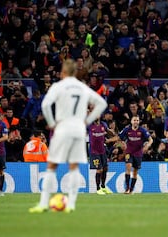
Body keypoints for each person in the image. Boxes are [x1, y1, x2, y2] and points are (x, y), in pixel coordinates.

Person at [29, 59, 108, 213]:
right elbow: (102, 104)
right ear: (75, 72)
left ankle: (43, 203)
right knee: (74, 167)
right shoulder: (82, 87)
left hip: (63, 127)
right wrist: (88, 120)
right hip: (78, 129)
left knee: (51, 166)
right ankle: (71, 205)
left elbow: (45, 105)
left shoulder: (58, 86)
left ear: (63, 72)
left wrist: (51, 123)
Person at [119, 115, 153, 194]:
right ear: (131, 121)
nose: (136, 122)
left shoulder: (142, 130)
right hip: (129, 152)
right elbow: (119, 137)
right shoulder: (127, 129)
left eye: (137, 120)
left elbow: (151, 139)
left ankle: (131, 189)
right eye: (134, 120)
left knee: (135, 172)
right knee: (128, 166)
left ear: (139, 122)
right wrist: (123, 143)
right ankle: (127, 188)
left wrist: (147, 145)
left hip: (138, 153)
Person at [89, 118, 112, 195]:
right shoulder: (89, 125)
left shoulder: (103, 124)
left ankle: (103, 187)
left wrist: (111, 133)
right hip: (94, 151)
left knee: (105, 168)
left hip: (103, 150)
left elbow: (108, 131)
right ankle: (98, 189)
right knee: (99, 169)